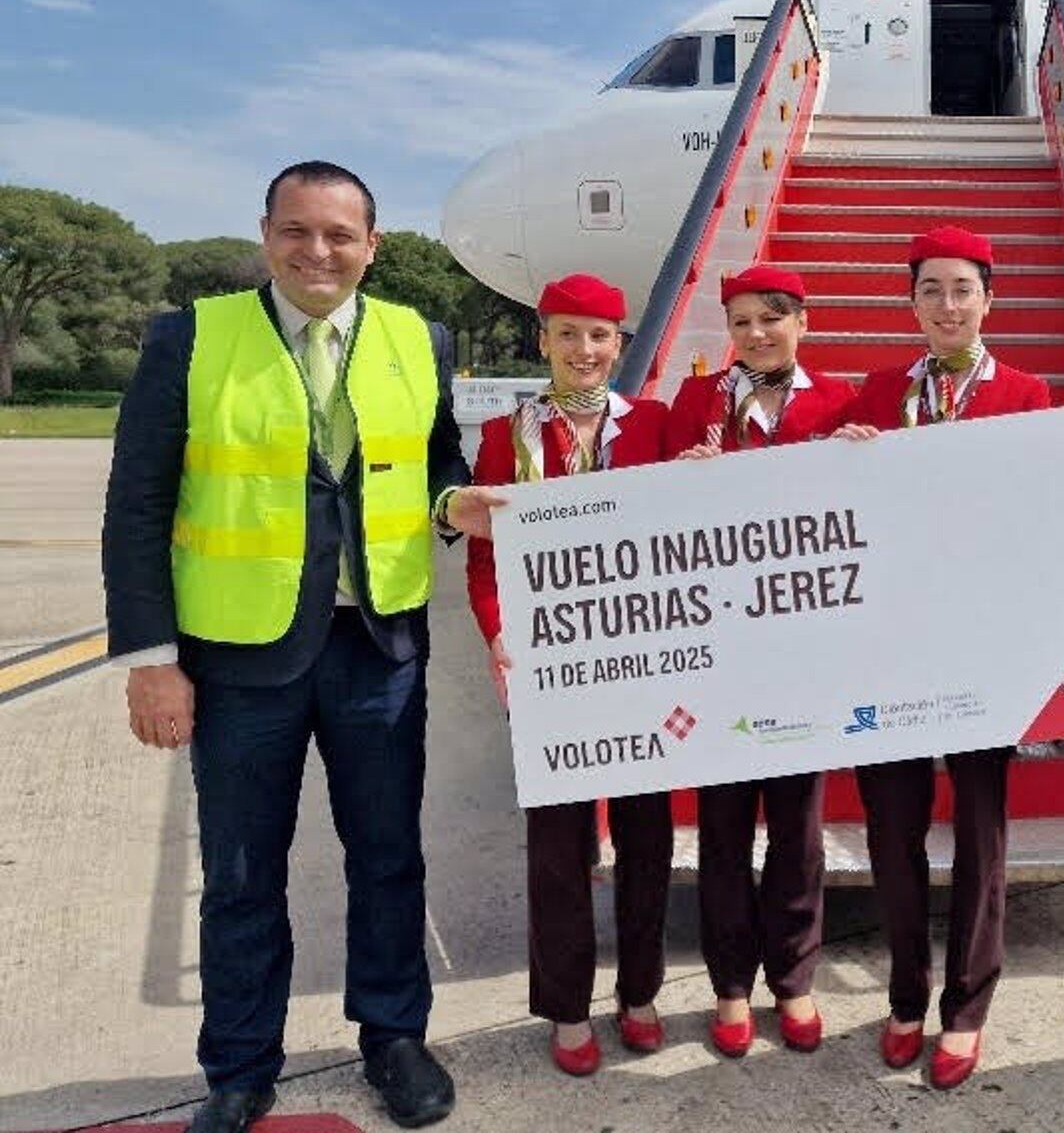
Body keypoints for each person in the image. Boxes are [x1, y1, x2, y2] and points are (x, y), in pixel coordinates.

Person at [104, 161, 500, 1133]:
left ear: (371, 244)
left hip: (378, 644)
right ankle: (240, 1069)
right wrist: (152, 660)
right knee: (242, 872)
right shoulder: (190, 340)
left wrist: (456, 503)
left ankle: (394, 1039)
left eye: (339, 235)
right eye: (297, 232)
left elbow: (435, 457)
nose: (317, 251)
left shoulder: (418, 336)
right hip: (240, 656)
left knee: (389, 856)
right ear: (266, 235)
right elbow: (138, 506)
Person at [831, 224, 1052, 1089]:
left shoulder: (1028, 394)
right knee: (891, 829)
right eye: (930, 290)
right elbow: (834, 509)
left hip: (981, 642)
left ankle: (966, 1006)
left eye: (962, 289)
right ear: (912, 302)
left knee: (983, 831)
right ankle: (904, 994)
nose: (947, 305)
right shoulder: (879, 390)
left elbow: (1039, 510)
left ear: (987, 300)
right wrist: (839, 461)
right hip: (890, 640)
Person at [464, 273, 675, 1077]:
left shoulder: (650, 424)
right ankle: (566, 1005)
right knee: (557, 845)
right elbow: (486, 555)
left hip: (640, 665)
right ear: (542, 340)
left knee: (647, 835)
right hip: (550, 666)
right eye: (567, 335)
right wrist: (496, 635)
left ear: (619, 345)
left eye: (599, 337)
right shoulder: (504, 436)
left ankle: (642, 992)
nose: (584, 352)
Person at [662, 264, 855, 1058]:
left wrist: (861, 455)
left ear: (800, 321)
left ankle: (796, 977)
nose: (755, 335)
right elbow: (657, 517)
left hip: (804, 653)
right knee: (725, 825)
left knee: (799, 830)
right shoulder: (694, 404)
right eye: (740, 322)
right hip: (720, 650)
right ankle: (731, 985)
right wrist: (682, 479)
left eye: (770, 319)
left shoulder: (842, 402)